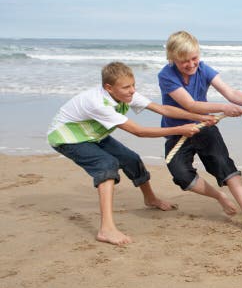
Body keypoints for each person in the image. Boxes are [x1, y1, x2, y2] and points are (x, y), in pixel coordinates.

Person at [48, 61, 214, 246]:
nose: (132, 91)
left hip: (93, 134)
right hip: (67, 138)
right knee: (106, 165)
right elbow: (139, 131)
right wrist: (179, 130)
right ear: (109, 88)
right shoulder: (98, 103)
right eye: (126, 87)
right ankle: (106, 229)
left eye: (133, 85)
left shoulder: (125, 94)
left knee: (131, 159)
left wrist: (200, 117)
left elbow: (163, 109)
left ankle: (150, 199)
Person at [158, 30, 242, 237]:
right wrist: (224, 108)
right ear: (172, 59)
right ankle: (219, 196)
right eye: (183, 61)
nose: (191, 64)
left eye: (194, 58)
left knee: (225, 166)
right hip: (178, 131)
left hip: (205, 127)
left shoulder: (203, 69)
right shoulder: (166, 75)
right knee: (181, 175)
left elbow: (231, 93)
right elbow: (190, 104)